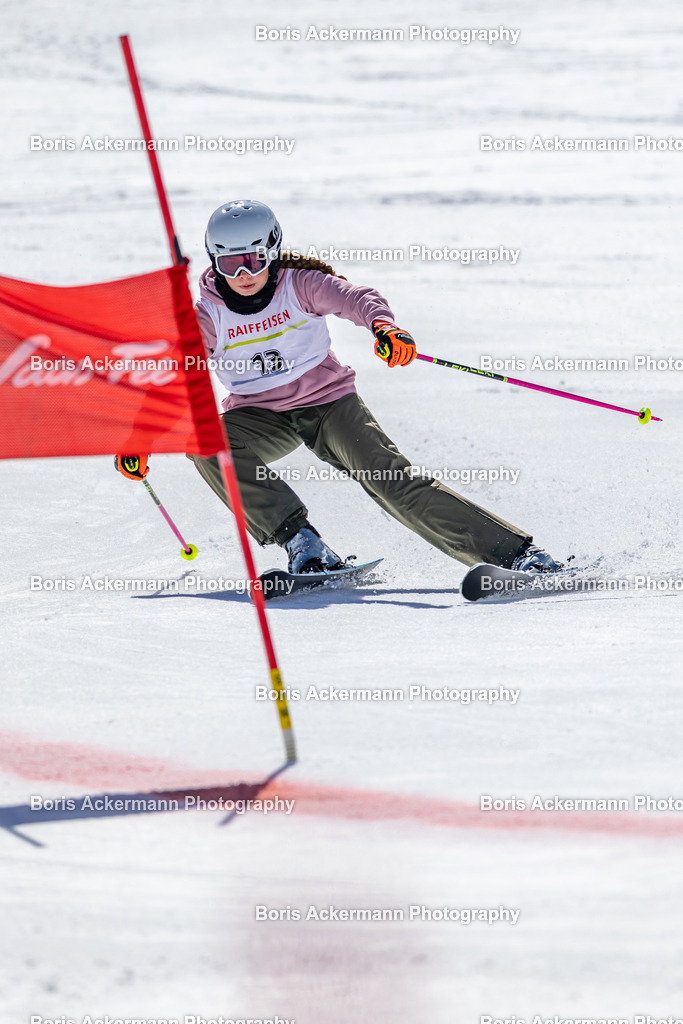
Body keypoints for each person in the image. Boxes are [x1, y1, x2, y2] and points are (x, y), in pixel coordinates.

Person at [116, 199, 561, 577]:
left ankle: (517, 556)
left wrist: (384, 328)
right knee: (204, 440)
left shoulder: (300, 284)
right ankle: (304, 543)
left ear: (272, 249)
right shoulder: (208, 316)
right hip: (260, 417)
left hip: (329, 405)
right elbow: (176, 375)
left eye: (254, 258)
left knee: (393, 482)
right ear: (215, 259)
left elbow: (357, 298)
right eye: (231, 261)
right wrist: (140, 437)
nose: (244, 272)